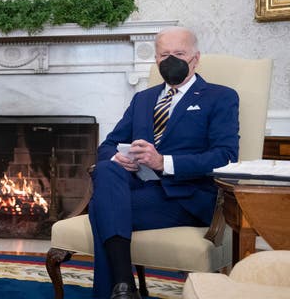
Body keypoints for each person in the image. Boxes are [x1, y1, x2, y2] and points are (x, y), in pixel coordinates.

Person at [88, 26, 239, 299]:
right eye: (164, 54)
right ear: (156, 59)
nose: (171, 60)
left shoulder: (220, 96)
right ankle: (124, 287)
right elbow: (107, 146)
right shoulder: (143, 99)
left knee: (103, 209)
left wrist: (163, 162)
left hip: (186, 196)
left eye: (179, 53)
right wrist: (119, 158)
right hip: (139, 189)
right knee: (107, 167)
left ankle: (120, 288)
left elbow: (225, 156)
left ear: (196, 58)